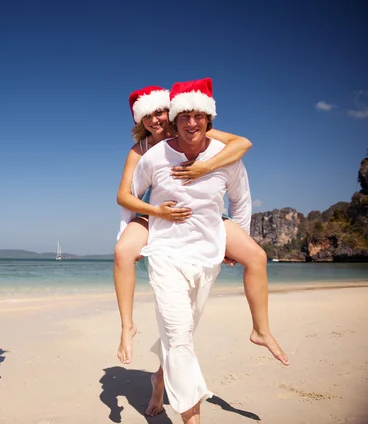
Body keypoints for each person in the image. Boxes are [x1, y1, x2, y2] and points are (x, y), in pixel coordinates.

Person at [114, 85, 289, 416]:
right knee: (126, 256)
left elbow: (242, 148)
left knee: (251, 261)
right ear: (141, 120)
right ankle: (127, 326)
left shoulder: (201, 132)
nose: (156, 120)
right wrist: (141, 224)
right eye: (147, 115)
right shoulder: (143, 152)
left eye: (159, 112)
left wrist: (205, 168)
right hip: (159, 219)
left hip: (206, 221)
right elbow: (126, 197)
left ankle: (260, 329)